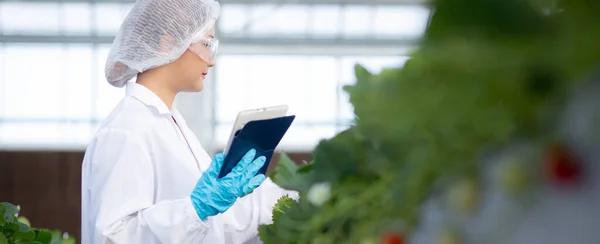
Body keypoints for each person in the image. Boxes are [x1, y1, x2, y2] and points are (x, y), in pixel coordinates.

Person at [80, 0, 297, 243]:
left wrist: (299, 196)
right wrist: (196, 208)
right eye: (207, 44)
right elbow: (113, 236)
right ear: (168, 44)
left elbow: (222, 223)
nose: (211, 60)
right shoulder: (126, 131)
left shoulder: (170, 125)